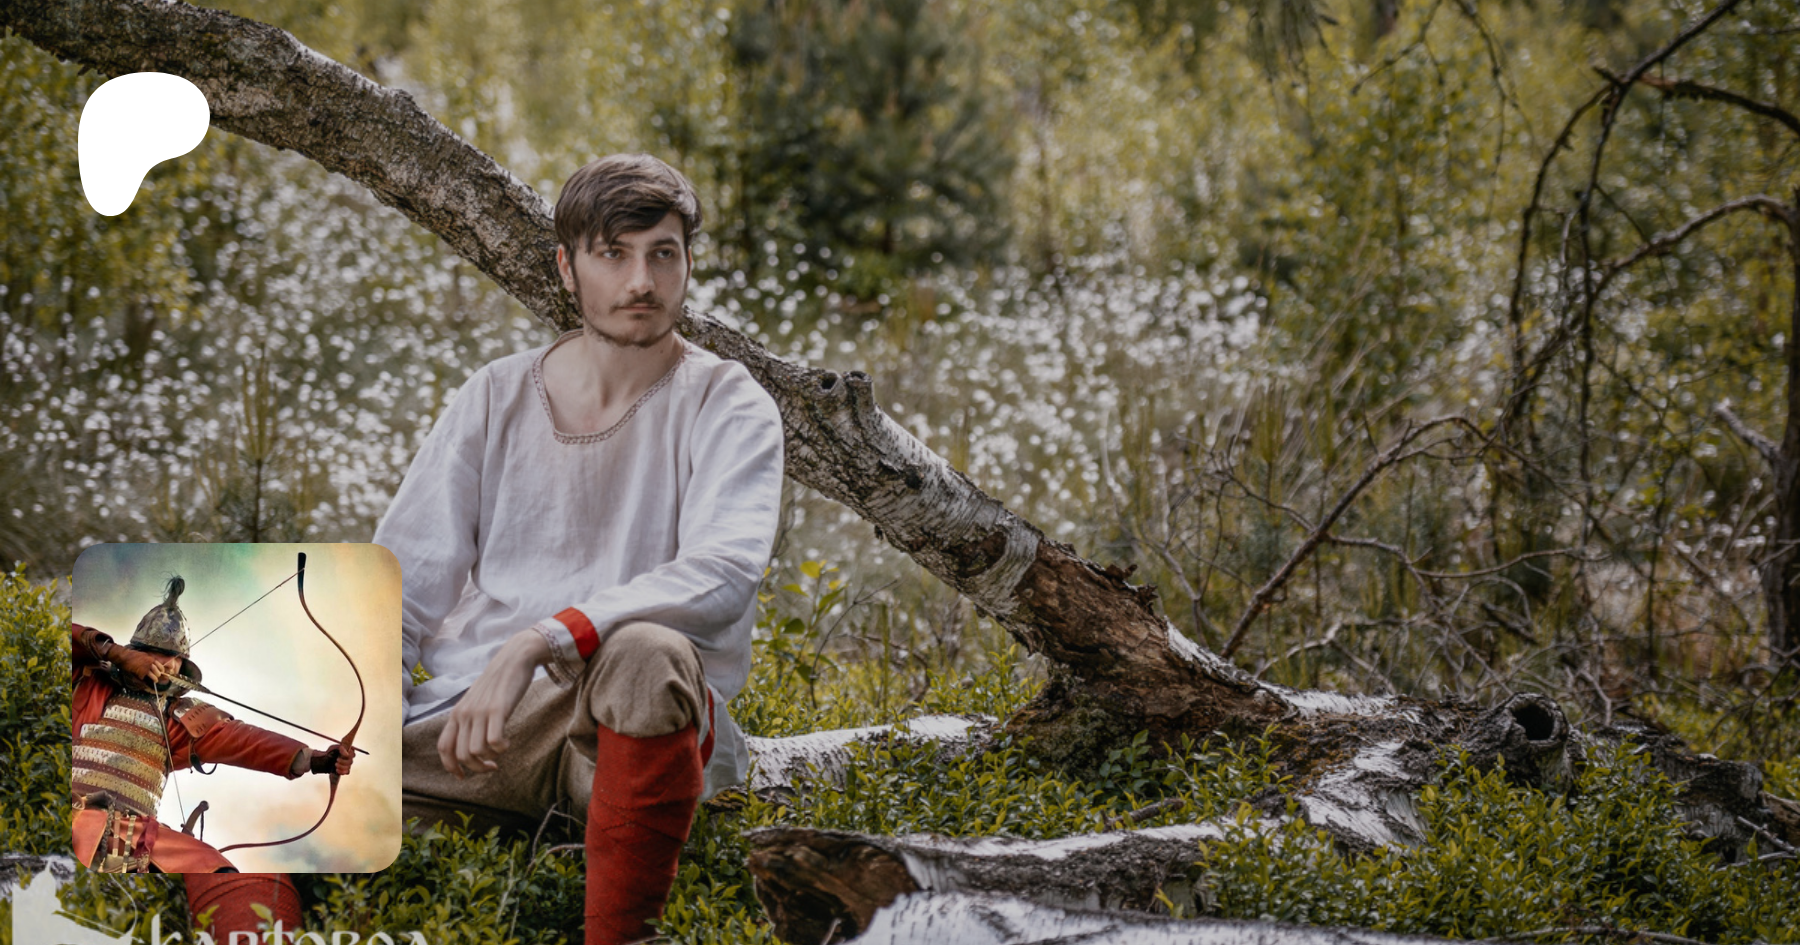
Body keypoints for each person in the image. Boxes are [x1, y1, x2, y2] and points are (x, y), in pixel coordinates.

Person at [372, 153, 785, 945]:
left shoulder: (728, 402)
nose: (642, 281)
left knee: (648, 651)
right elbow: (399, 587)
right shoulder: (495, 393)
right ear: (567, 268)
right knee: (272, 757)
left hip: (630, 728)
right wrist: (366, 715)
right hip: (478, 734)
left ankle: (622, 929)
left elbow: (723, 574)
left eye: (663, 254)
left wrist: (541, 639)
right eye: (613, 254)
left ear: (687, 264)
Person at [70, 576, 354, 938]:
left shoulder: (179, 717)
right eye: (156, 654)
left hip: (134, 833)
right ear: (135, 651)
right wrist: (114, 653)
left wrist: (316, 760)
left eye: (175, 659)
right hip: (75, 814)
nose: (168, 665)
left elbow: (244, 741)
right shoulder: (87, 680)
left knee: (214, 867)